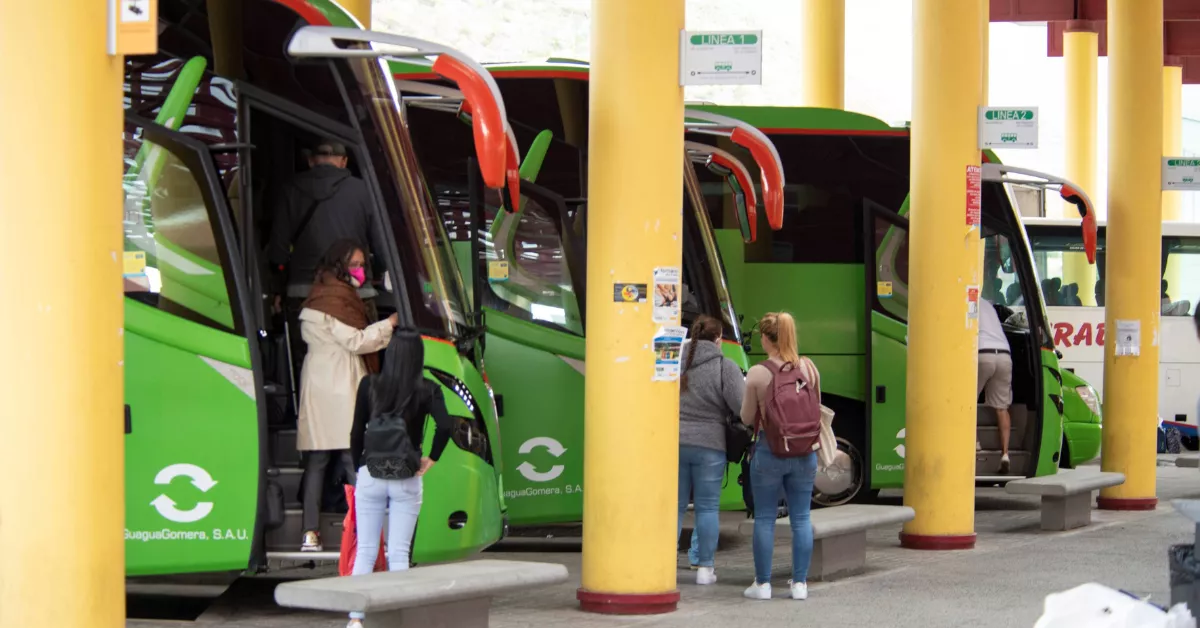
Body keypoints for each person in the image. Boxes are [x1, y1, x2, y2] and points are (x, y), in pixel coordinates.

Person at [346, 330, 454, 628]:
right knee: (398, 552)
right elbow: (446, 425)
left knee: (366, 551)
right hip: (407, 475)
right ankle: (399, 619)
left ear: (389, 353)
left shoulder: (370, 384)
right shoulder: (428, 389)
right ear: (418, 356)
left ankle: (356, 620)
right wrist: (431, 458)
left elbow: (356, 433)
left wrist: (360, 468)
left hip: (371, 473)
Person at [297, 240, 398, 551]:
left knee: (316, 461)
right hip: (341, 382)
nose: (360, 270)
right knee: (351, 458)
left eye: (362, 264)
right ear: (340, 266)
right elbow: (356, 342)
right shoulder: (339, 301)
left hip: (316, 383)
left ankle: (309, 533)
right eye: (355, 264)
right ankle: (364, 531)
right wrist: (390, 323)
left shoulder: (315, 299)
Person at [740, 312, 820, 601]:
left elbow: (747, 417)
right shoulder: (809, 368)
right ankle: (799, 584)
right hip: (804, 452)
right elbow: (817, 408)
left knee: (764, 518)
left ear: (765, 338)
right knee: (801, 518)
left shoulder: (759, 373)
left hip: (769, 451)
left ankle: (762, 585)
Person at [676, 315, 745, 585]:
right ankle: (704, 567)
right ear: (718, 340)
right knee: (706, 509)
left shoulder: (674, 360)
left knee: (674, 508)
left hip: (674, 443)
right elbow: (740, 407)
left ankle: (662, 565)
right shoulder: (724, 366)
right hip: (710, 446)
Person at [978, 297, 1014, 474]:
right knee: (1002, 408)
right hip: (1004, 354)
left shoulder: (962, 298)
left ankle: (974, 442)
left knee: (967, 400)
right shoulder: (988, 304)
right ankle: (1005, 454)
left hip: (982, 351)